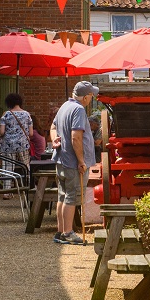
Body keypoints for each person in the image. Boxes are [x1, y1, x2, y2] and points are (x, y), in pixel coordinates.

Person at [51, 81, 99, 246]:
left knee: (62, 195)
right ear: (85, 97)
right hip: (72, 162)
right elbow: (76, 137)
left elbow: (53, 127)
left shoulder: (65, 106)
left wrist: (55, 140)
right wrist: (81, 161)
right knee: (71, 196)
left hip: (61, 159)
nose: (91, 99)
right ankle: (68, 233)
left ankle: (60, 231)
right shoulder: (78, 109)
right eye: (91, 96)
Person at [0, 93, 34, 161]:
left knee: (8, 166)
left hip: (8, 146)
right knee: (24, 166)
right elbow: (31, 133)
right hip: (23, 145)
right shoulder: (27, 114)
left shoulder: (6, 114)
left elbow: (2, 132)